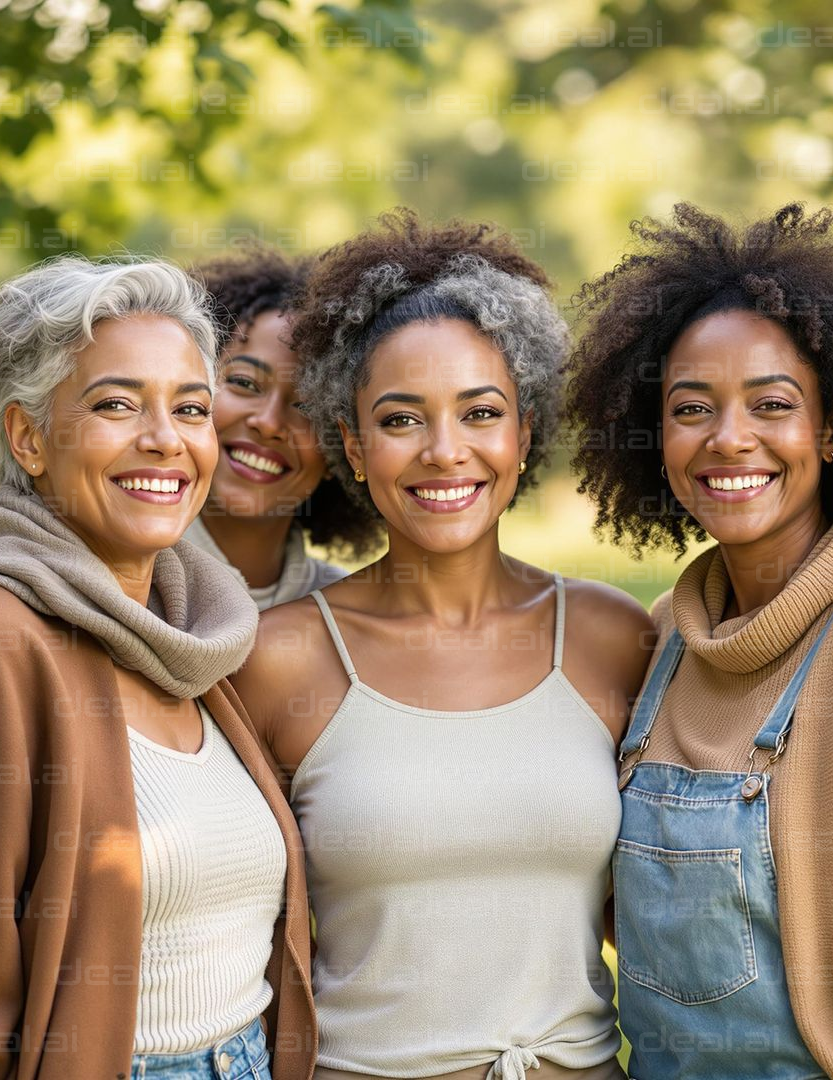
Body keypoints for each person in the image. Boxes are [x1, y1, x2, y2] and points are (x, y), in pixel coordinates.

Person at [230, 210, 653, 1080]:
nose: (444, 452)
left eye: (480, 412)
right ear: (351, 444)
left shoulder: (613, 640)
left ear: (523, 433)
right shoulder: (280, 660)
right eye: (400, 420)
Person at [567, 203, 833, 1080]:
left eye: (772, 404)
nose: (729, 439)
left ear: (831, 431)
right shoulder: (669, 637)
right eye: (691, 408)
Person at [0, 257, 315, 1080]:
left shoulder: (192, 637)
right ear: (28, 437)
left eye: (190, 408)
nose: (166, 439)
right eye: (117, 404)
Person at [187, 245, 381, 608]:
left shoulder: (348, 614)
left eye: (308, 407)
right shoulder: (111, 576)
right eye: (244, 383)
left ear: (345, 448)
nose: (269, 422)